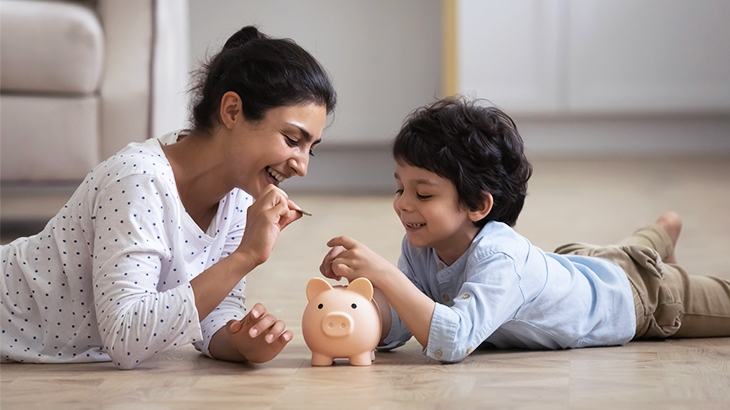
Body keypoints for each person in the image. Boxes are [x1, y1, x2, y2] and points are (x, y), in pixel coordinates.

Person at [1, 26, 336, 369]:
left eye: (312, 149)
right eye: (293, 139)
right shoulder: (138, 180)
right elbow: (126, 338)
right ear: (232, 111)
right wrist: (246, 256)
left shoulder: (240, 194)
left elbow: (213, 314)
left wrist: (241, 342)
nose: (302, 166)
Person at [320, 96, 730, 363]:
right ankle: (661, 231)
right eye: (399, 187)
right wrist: (361, 304)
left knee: (658, 275)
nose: (403, 203)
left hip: (641, 297)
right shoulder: (422, 244)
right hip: (578, 263)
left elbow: (451, 341)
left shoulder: (500, 259)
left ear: (479, 205)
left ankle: (658, 240)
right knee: (620, 255)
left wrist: (386, 275)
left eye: (423, 194)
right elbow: (404, 324)